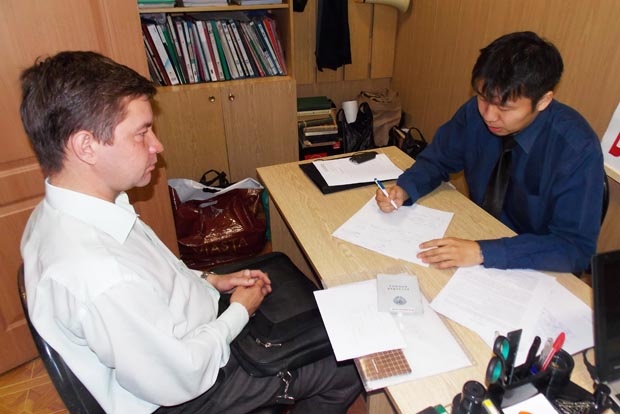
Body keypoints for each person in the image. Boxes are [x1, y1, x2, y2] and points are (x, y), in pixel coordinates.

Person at [19, 51, 361, 414]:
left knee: (305, 302)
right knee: (348, 366)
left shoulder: (67, 210)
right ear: (86, 146)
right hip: (186, 388)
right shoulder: (100, 274)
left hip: (183, 340)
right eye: (142, 133)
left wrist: (212, 281)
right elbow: (180, 376)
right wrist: (239, 312)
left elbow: (159, 276)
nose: (157, 145)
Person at [376, 31, 604, 275]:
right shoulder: (475, 112)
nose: (489, 115)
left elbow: (574, 249)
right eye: (483, 98)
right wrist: (405, 188)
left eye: (505, 108)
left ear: (543, 101)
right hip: (475, 236)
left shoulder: (577, 150)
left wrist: (482, 252)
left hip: (533, 266)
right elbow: (438, 160)